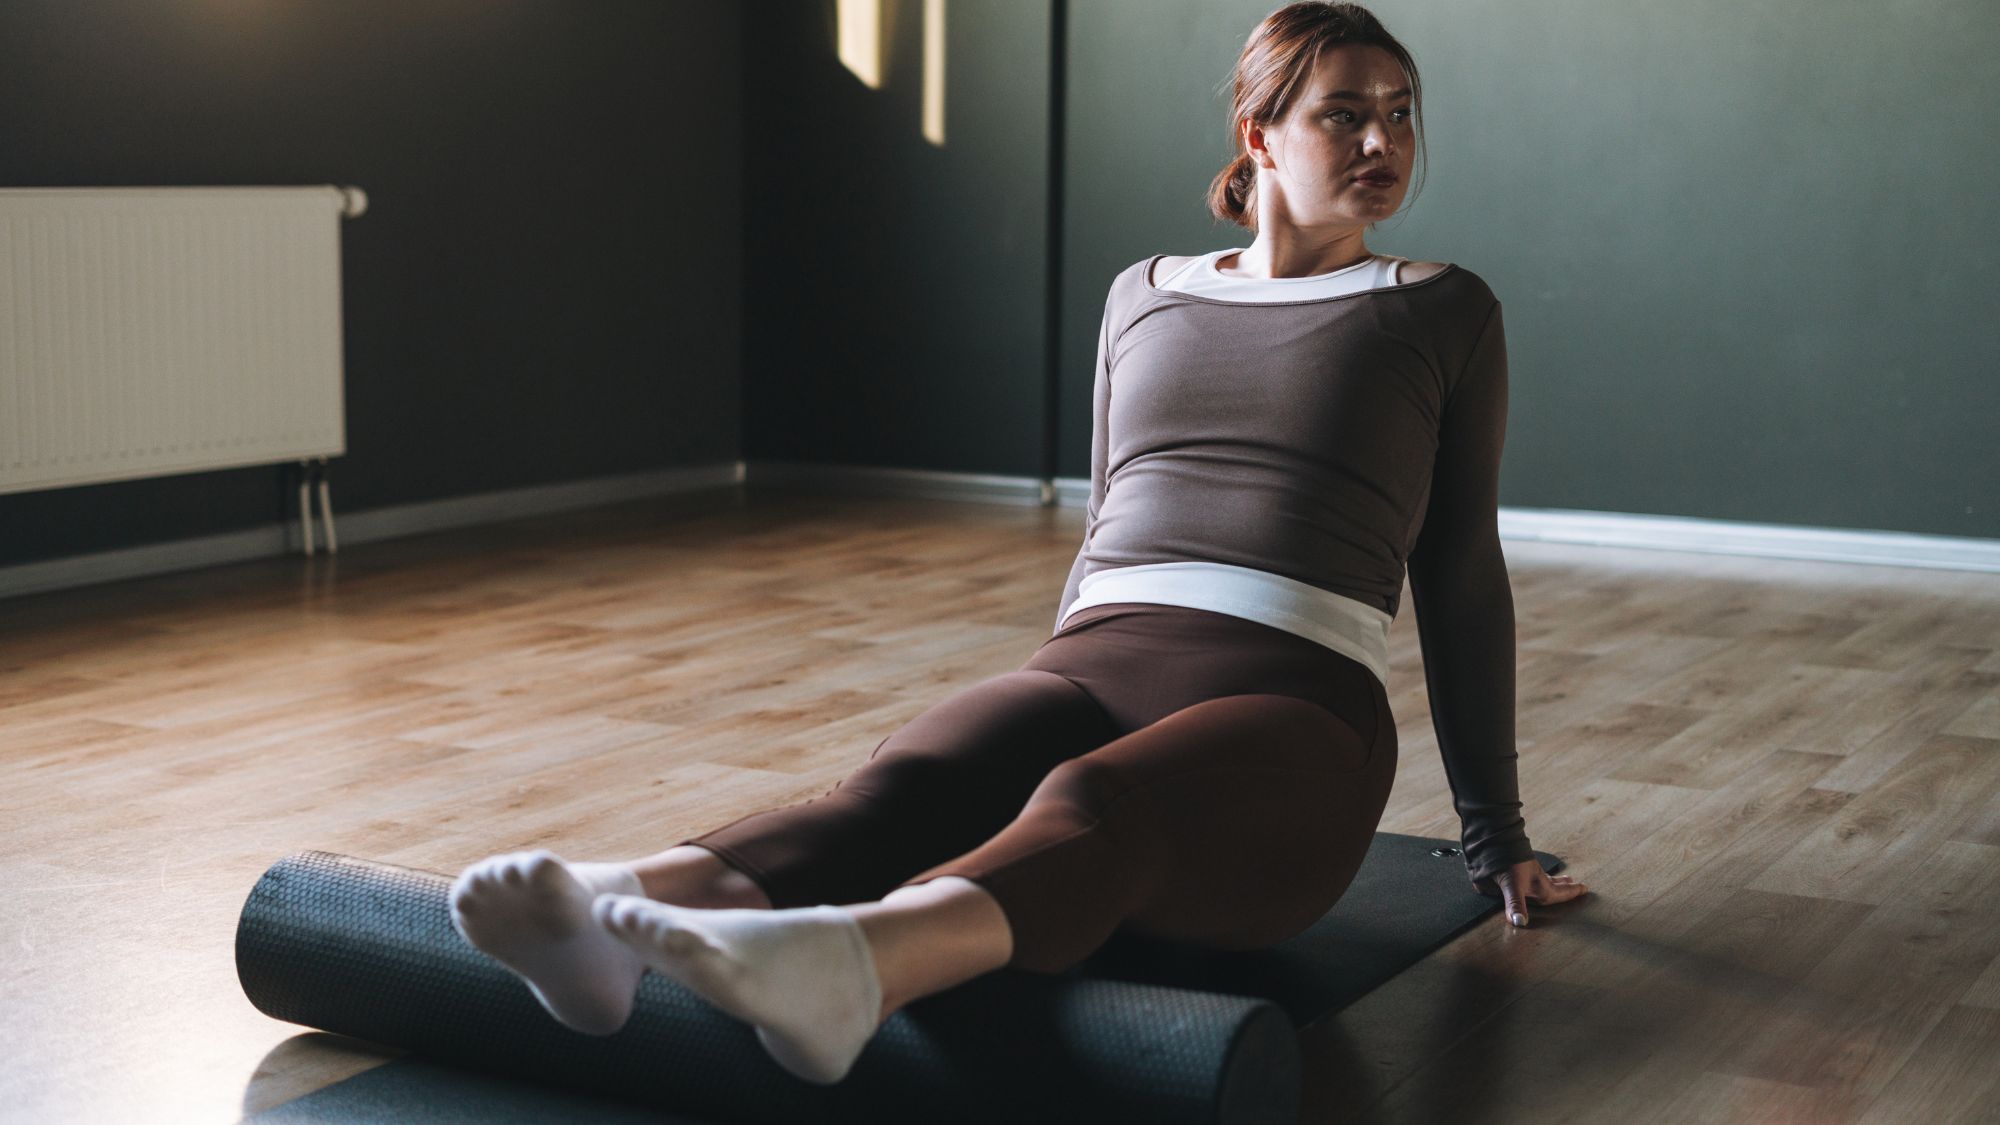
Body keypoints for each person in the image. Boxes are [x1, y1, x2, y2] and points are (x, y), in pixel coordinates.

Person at [447, 0, 1587, 1087]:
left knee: (1093, 798)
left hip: (1296, 708)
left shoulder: (1439, 309)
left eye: (1399, 112)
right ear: (1260, 134)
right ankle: (612, 913)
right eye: (1345, 113)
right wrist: (1045, 690)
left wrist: (1495, 835)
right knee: (908, 781)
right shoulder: (1143, 294)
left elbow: (1458, 573)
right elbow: (1105, 519)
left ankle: (855, 967)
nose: (1383, 141)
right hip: (1097, 659)